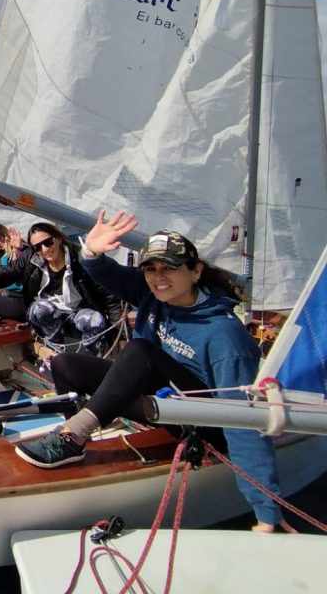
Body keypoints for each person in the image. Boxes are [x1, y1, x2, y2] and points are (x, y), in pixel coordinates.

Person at [15, 211, 293, 534]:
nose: (159, 276)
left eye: (169, 267)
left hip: (205, 424)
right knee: (65, 364)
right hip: (160, 403)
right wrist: (89, 252)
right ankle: (70, 441)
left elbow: (242, 421)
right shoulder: (154, 293)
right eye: (151, 268)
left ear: (195, 271)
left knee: (140, 352)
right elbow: (107, 273)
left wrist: (266, 510)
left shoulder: (224, 337)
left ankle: (73, 435)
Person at [0, 221, 119, 353]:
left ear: (58, 239)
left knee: (94, 319)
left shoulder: (80, 259)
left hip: (76, 313)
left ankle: (91, 359)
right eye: (37, 247)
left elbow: (110, 296)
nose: (44, 249)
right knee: (42, 308)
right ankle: (54, 349)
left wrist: (120, 334)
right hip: (47, 315)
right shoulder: (31, 257)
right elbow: (11, 270)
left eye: (48, 242)